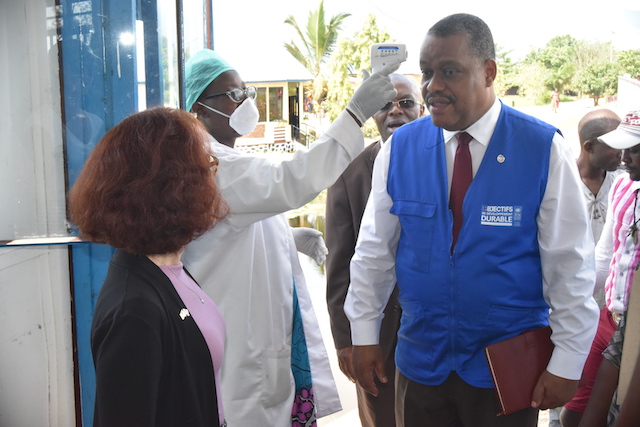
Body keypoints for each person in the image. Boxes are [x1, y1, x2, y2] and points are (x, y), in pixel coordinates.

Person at [344, 13, 599, 427]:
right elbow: (374, 253)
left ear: (488, 72)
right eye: (427, 73)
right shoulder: (399, 149)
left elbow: (569, 265)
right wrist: (364, 334)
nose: (432, 87)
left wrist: (568, 360)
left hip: (504, 373)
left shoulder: (542, 148)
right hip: (421, 365)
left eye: (449, 72)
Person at [181, 49, 399, 426]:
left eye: (246, 91)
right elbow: (293, 179)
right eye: (233, 95)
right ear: (199, 109)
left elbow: (240, 217)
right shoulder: (210, 166)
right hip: (240, 345)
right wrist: (354, 114)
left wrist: (285, 235)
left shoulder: (223, 161)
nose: (247, 101)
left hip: (256, 336)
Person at [68, 107, 229, 426]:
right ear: (176, 189)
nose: (211, 180)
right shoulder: (135, 311)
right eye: (203, 171)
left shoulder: (169, 271)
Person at [325, 74, 425, 427]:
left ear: (422, 108)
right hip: (376, 334)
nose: (395, 111)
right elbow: (339, 262)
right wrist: (346, 340)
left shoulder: (445, 162)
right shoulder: (349, 173)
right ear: (373, 115)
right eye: (385, 105)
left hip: (432, 330)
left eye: (406, 103)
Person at [559, 109, 622, 427]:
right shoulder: (559, 183)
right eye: (615, 145)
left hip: (611, 315)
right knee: (570, 393)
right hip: (571, 314)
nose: (623, 152)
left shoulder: (623, 183)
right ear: (589, 147)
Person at [579, 109, 640, 427]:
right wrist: (579, 312)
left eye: (635, 150)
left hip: (636, 330)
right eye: (624, 148)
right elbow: (605, 256)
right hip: (609, 320)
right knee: (580, 412)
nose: (625, 158)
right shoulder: (624, 189)